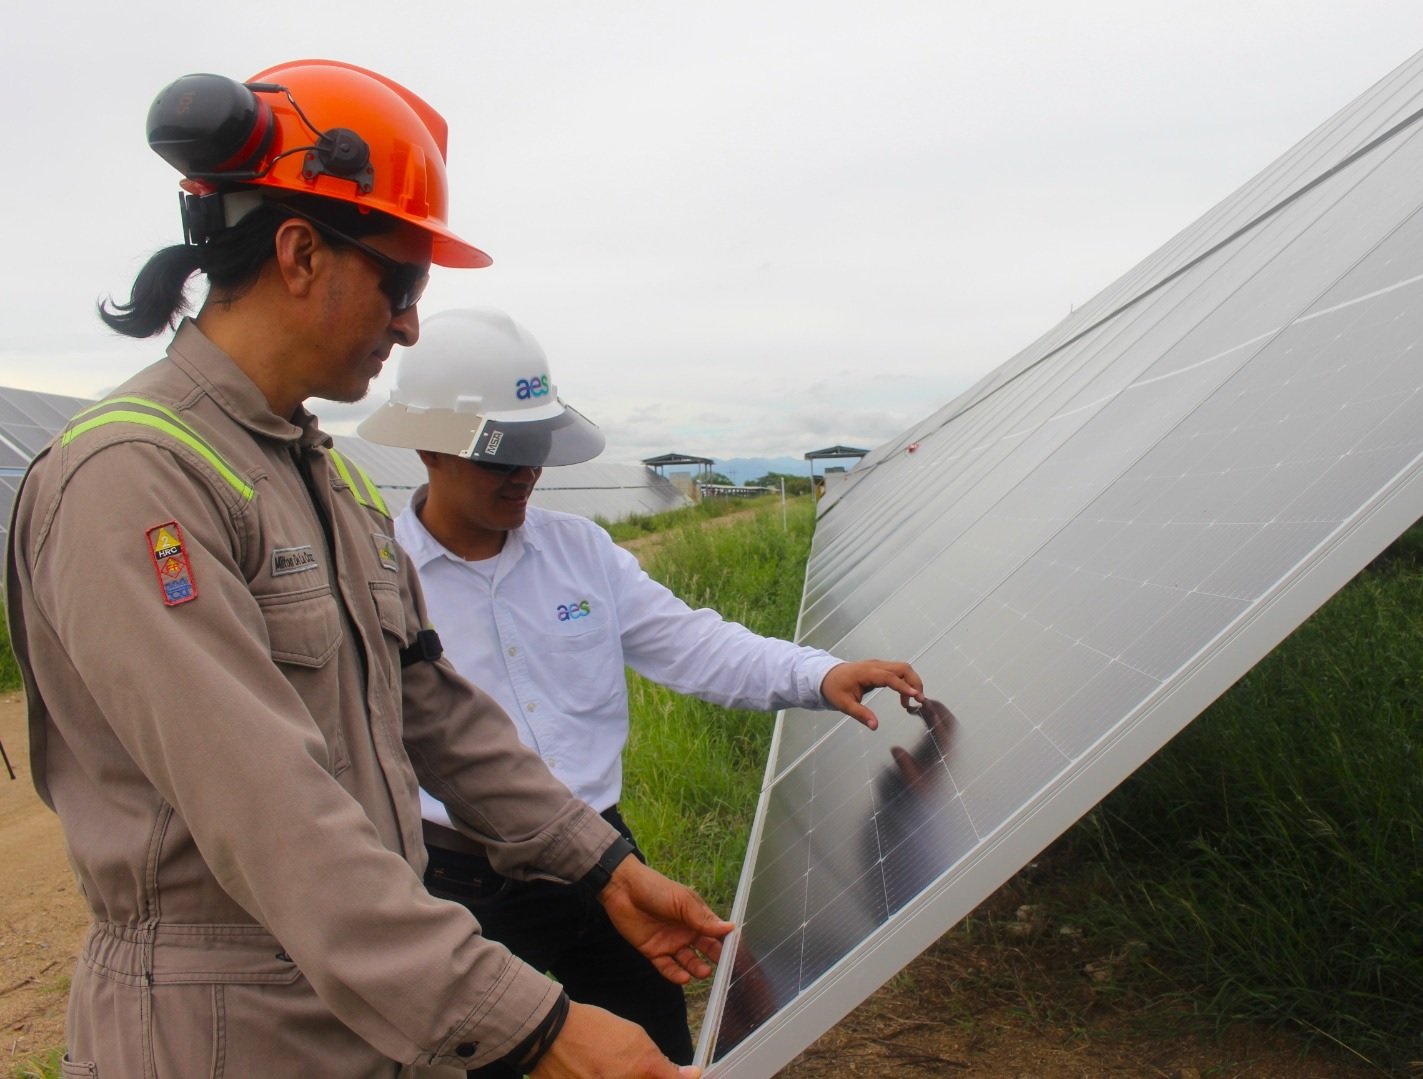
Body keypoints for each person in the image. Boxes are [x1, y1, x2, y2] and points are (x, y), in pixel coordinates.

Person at [5, 61, 732, 1079]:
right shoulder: (136, 478)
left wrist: (599, 864)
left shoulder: (322, 474)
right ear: (302, 252)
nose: (409, 325)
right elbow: (267, 808)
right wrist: (541, 1026)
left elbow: (428, 703)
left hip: (356, 1008)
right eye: (401, 283)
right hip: (219, 1033)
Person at [357, 307, 926, 1066]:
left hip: (600, 856)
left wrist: (819, 673)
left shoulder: (578, 552)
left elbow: (694, 644)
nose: (526, 473)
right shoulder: (378, 577)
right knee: (505, 1054)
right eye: (502, 457)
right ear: (429, 446)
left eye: (535, 451)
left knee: (654, 1045)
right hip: (462, 875)